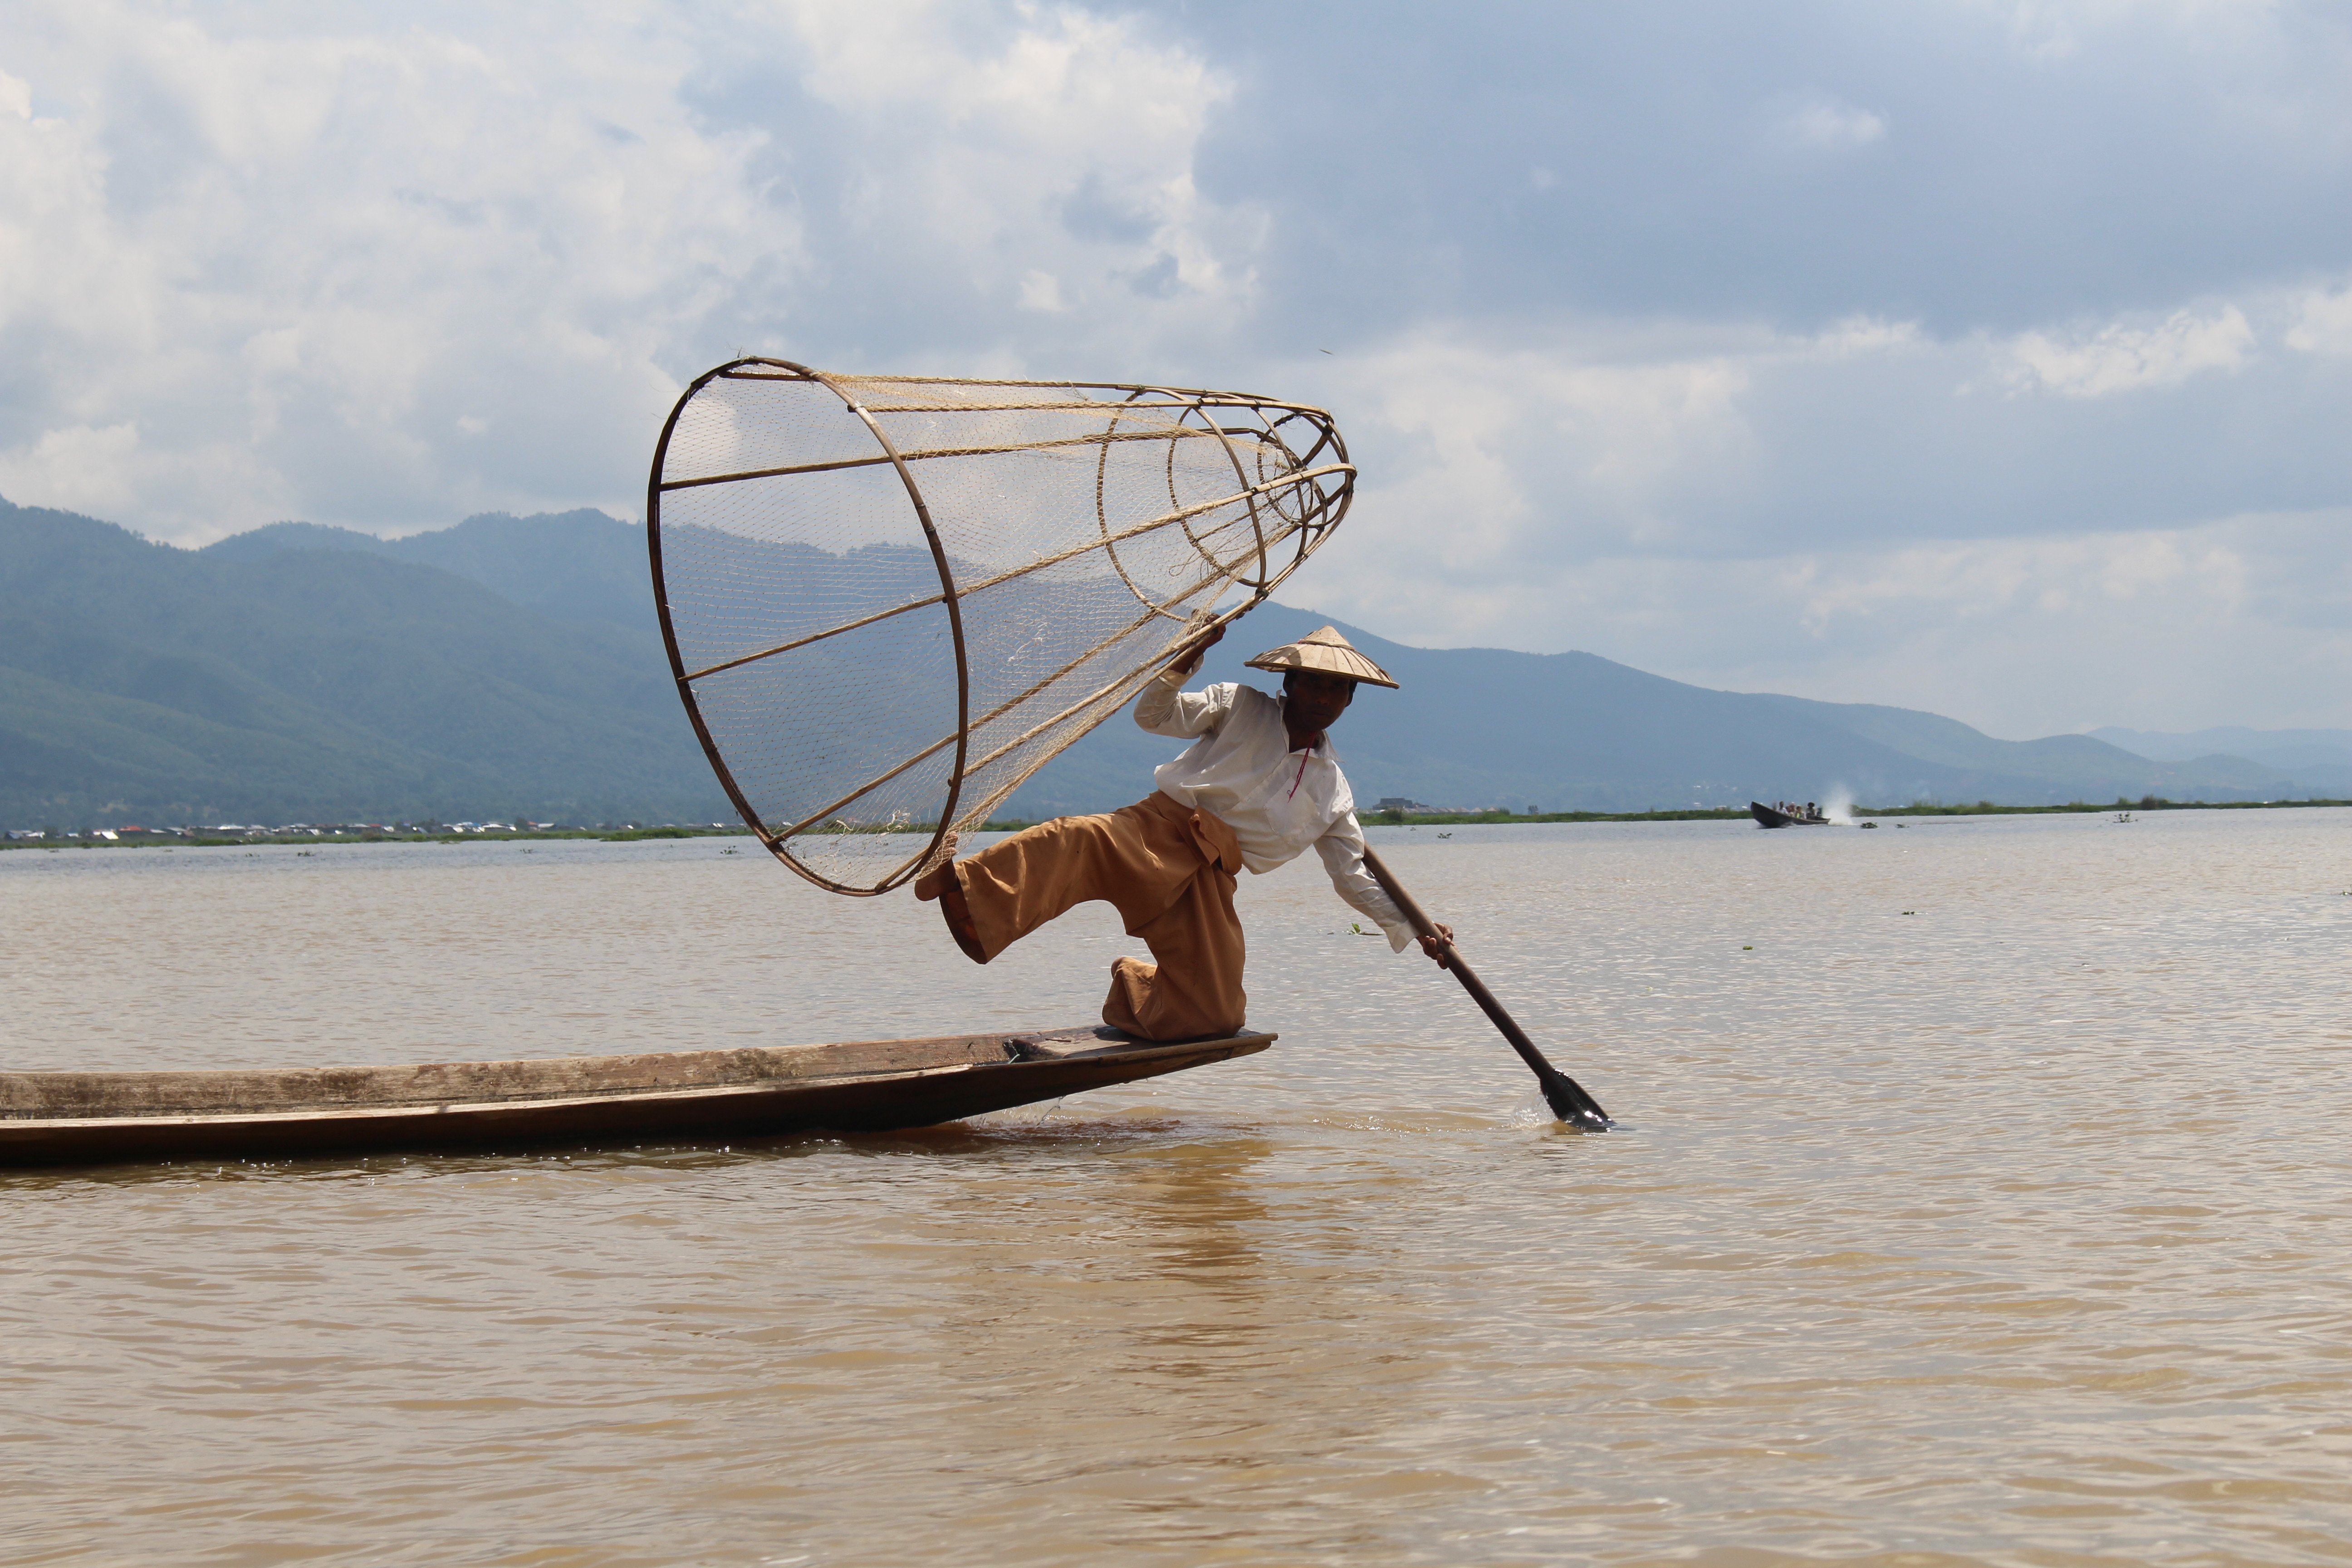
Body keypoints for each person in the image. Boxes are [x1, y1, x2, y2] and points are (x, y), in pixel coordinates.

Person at [914, 620, 1454, 1040]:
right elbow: (1155, 716)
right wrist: (1181, 666)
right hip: (1154, 831)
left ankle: (1134, 988)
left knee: (1219, 1014)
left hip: (1208, 878)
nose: (1323, 697)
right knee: (1076, 838)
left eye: (1336, 690)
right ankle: (958, 877)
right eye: (1313, 683)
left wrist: (1417, 926)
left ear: (1349, 701)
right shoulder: (1238, 705)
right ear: (1288, 683)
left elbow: (1352, 875)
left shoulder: (1333, 790)